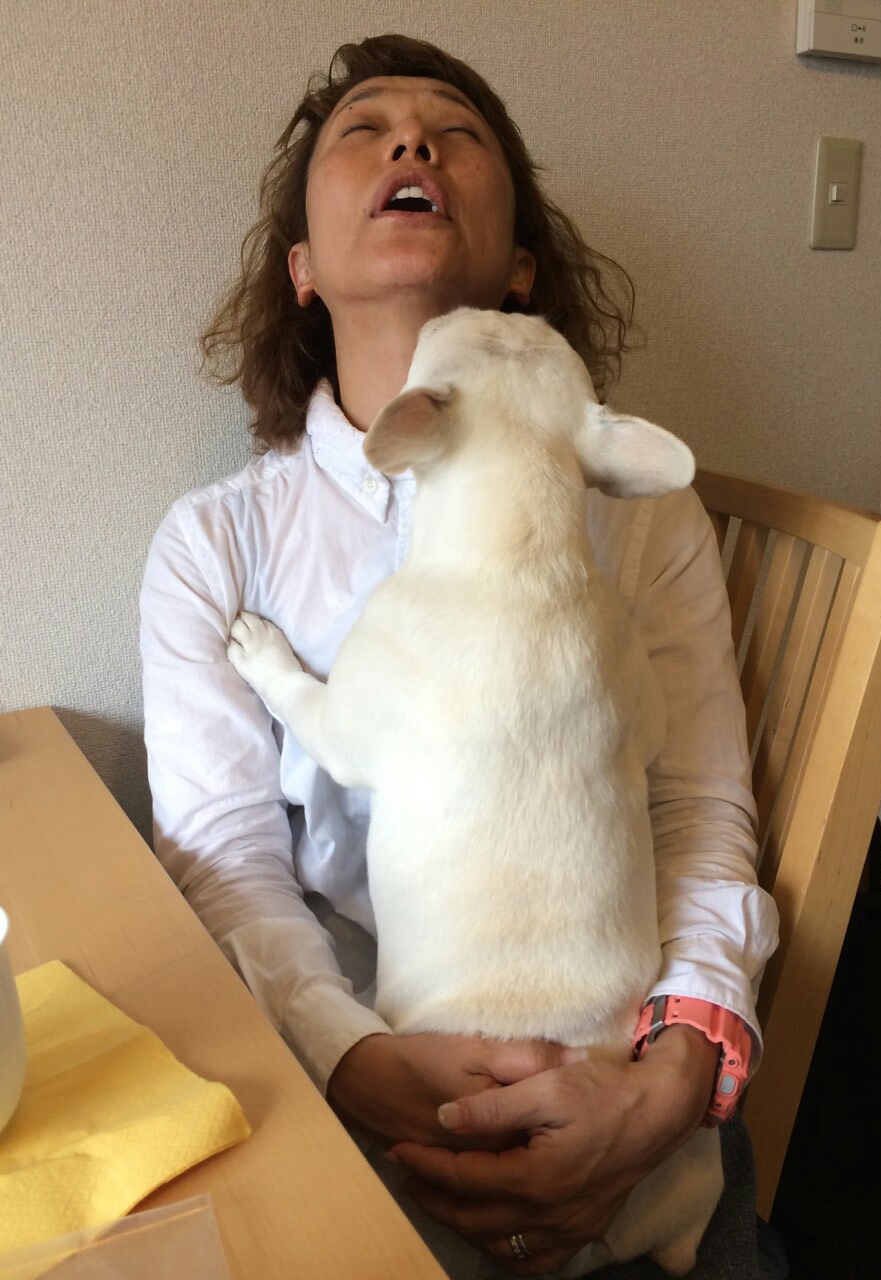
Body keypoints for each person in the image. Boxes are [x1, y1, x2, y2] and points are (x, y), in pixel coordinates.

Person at [140, 34, 780, 1279]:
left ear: (521, 268)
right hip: (350, 1065)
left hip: (627, 1074)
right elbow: (225, 860)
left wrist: (671, 1077)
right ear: (303, 267)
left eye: (457, 131)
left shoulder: (642, 514)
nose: (413, 141)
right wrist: (355, 1060)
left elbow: (700, 811)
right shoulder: (218, 543)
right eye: (365, 129)